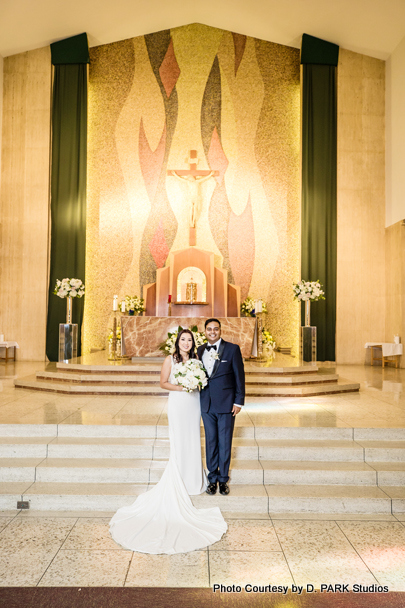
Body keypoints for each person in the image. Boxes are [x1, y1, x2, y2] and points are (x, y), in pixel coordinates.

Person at [109, 328, 227, 554]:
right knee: (180, 440)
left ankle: (194, 481)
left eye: (189, 339)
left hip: (193, 405)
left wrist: (196, 383)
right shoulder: (169, 359)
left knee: (193, 438)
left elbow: (203, 381)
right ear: (177, 342)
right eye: (183, 339)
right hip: (178, 403)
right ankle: (180, 479)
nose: (186, 342)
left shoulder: (196, 359)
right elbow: (163, 383)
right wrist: (183, 386)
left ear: (193, 343)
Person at [197, 318, 245, 496]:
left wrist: (238, 401)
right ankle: (212, 479)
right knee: (210, 442)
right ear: (205, 331)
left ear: (220, 330)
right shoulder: (200, 349)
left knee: (225, 442)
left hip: (226, 403)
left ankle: (223, 479)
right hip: (207, 404)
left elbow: (239, 376)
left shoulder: (232, 349)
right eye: (209, 329)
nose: (212, 332)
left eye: (215, 329)